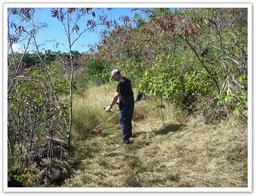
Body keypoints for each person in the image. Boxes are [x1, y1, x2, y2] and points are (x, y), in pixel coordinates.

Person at [105, 69, 134, 144]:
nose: (113, 79)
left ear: (116, 75)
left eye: (113, 77)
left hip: (125, 105)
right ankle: (129, 134)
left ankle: (125, 140)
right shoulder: (127, 80)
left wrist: (110, 106)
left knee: (123, 121)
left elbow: (116, 96)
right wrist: (119, 102)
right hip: (130, 103)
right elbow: (126, 93)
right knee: (128, 119)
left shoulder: (121, 83)